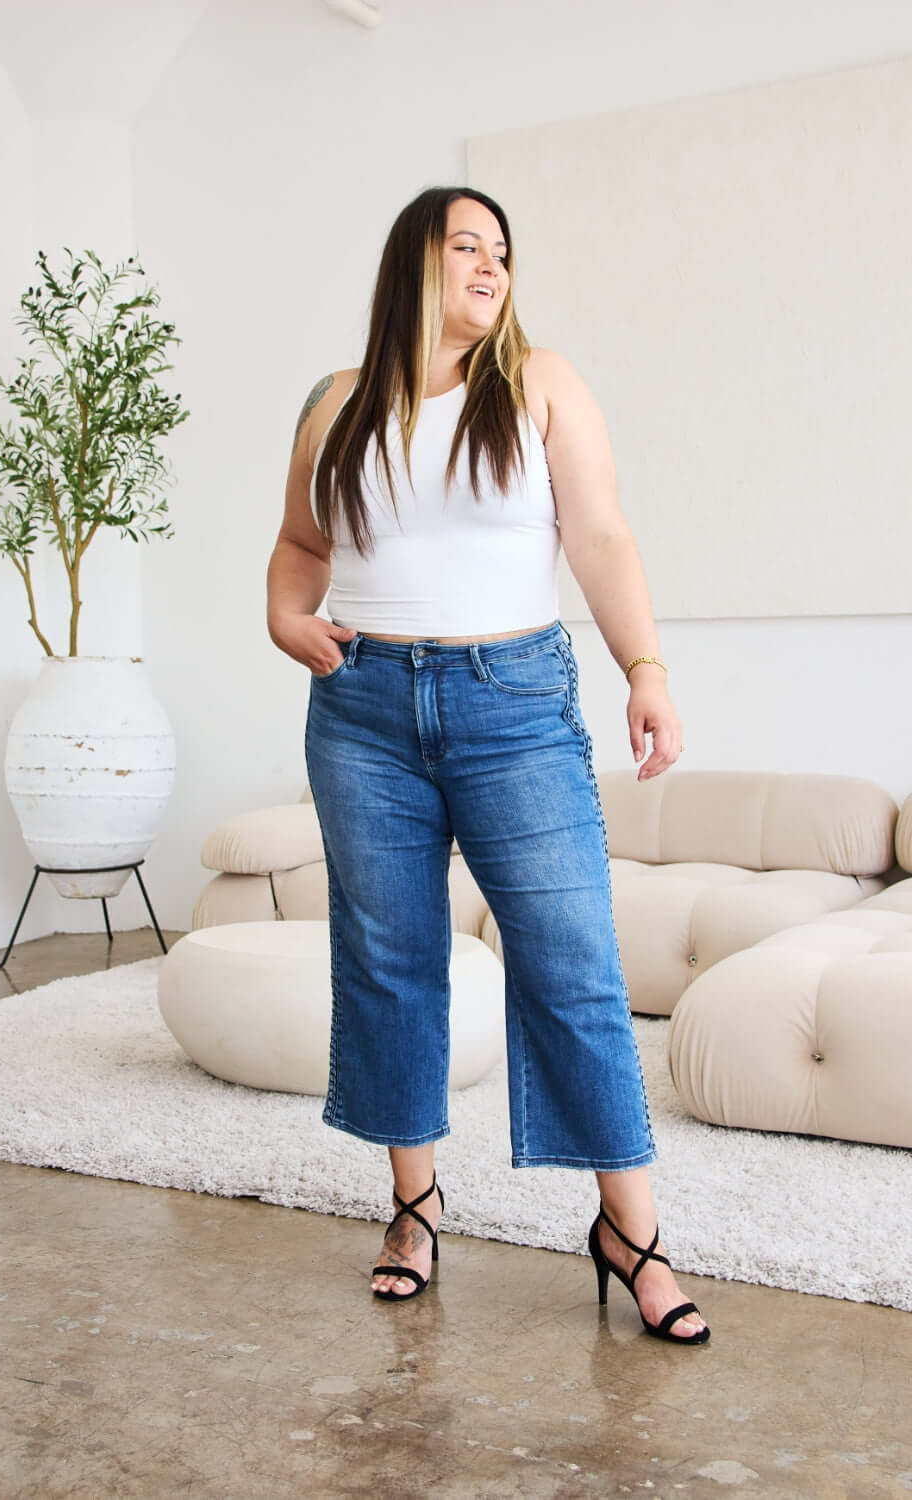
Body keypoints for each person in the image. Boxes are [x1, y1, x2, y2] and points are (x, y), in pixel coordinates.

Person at [266, 186, 709, 1344]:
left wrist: (644, 670)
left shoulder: (542, 383)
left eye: (502, 252)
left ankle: (631, 1231)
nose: (491, 266)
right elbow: (300, 546)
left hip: (512, 701)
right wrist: (284, 620)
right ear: (412, 261)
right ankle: (413, 1208)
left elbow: (599, 535)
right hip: (359, 708)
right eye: (467, 245)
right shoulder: (334, 402)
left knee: (570, 960)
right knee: (388, 959)